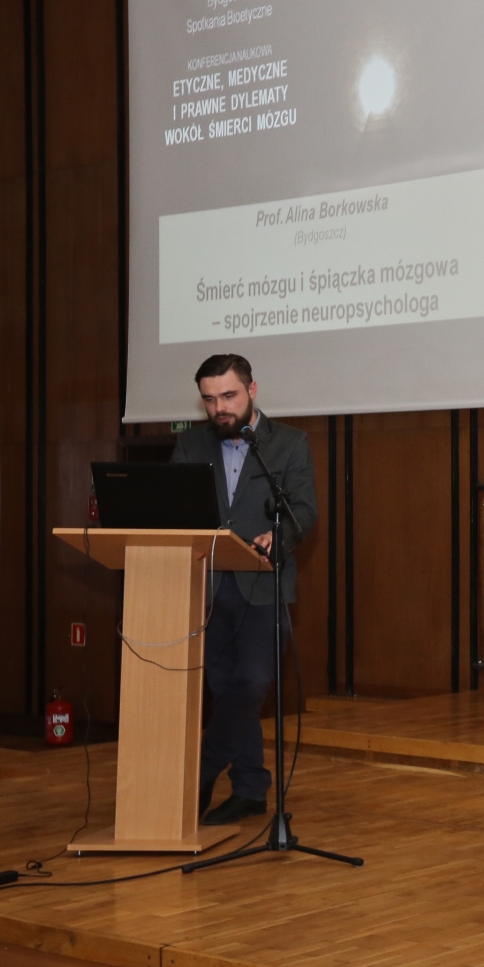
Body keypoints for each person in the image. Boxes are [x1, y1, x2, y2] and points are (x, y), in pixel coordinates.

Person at [172, 354, 318, 827]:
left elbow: (304, 510)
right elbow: (174, 509)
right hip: (209, 585)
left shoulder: (289, 444)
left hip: (262, 585)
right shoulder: (191, 444)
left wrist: (280, 535)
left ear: (252, 391)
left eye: (229, 396)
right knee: (225, 689)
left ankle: (200, 773)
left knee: (252, 684)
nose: (220, 408)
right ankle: (251, 789)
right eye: (210, 399)